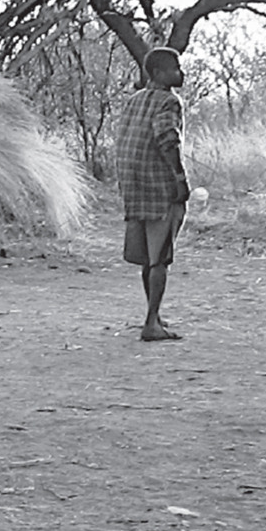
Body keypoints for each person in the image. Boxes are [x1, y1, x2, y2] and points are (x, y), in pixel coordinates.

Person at [115, 46, 190, 343]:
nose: (179, 73)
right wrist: (180, 178)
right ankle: (151, 323)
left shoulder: (135, 101)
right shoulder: (169, 102)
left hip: (133, 183)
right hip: (158, 184)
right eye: (174, 68)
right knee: (160, 257)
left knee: (148, 256)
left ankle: (153, 313)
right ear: (159, 73)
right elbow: (167, 139)